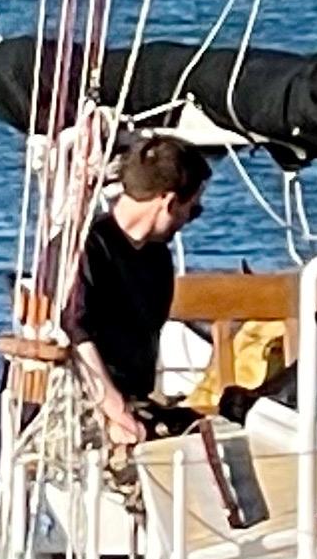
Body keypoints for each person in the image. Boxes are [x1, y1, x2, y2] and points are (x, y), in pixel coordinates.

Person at [61, 134, 208, 449]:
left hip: (135, 400)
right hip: (85, 402)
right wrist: (117, 412)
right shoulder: (85, 247)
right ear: (169, 203)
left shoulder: (158, 259)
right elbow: (75, 330)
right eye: (192, 210)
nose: (188, 220)